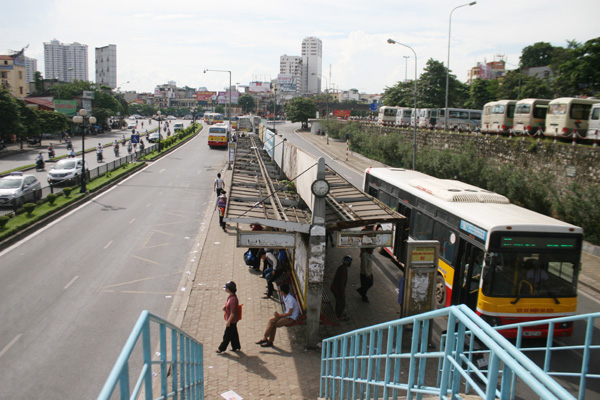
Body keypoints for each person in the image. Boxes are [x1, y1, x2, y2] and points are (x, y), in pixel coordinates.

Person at [255, 283, 299, 347]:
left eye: (280, 290)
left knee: (274, 324)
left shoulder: (290, 300)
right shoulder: (284, 296)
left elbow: (290, 313)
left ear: (282, 291)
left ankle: (268, 340)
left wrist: (279, 316)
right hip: (286, 315)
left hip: (291, 318)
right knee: (271, 321)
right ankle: (266, 338)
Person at [216, 281, 241, 353]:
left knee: (227, 335)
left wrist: (228, 321)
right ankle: (236, 346)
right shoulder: (231, 297)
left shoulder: (233, 299)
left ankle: (221, 348)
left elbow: (233, 313)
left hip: (232, 320)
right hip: (232, 320)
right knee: (233, 334)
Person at [331, 255, 352, 320]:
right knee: (342, 303)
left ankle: (337, 313)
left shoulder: (341, 267)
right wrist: (342, 293)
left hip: (334, 288)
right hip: (337, 289)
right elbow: (341, 283)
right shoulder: (344, 270)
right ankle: (338, 316)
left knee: (338, 301)